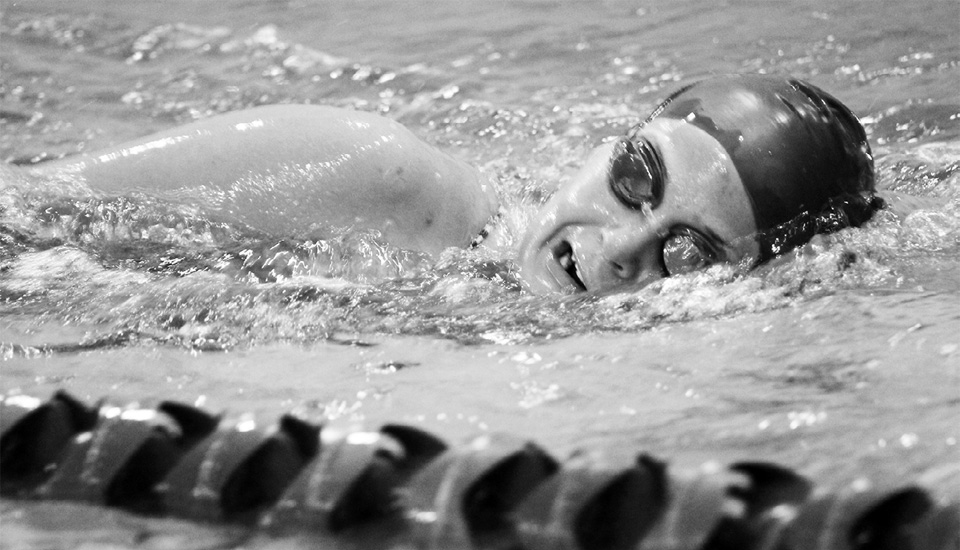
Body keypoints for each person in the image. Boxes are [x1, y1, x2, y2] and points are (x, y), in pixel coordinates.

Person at [31, 74, 881, 293]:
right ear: (602, 144)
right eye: (634, 176)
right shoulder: (376, 176)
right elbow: (24, 211)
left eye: (688, 255)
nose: (621, 249)